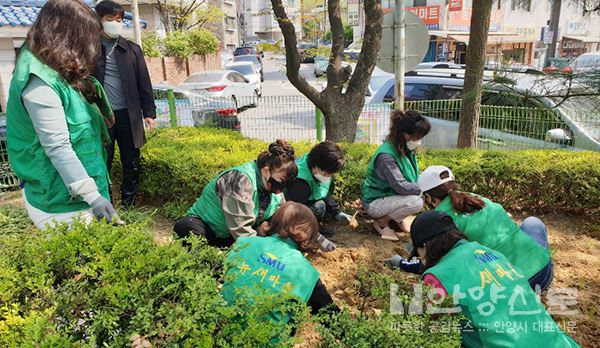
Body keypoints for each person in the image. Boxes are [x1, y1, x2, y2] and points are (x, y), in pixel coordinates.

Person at [6, 0, 119, 230]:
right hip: (61, 201)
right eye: (85, 40)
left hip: (78, 193)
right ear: (67, 37)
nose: (89, 48)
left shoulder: (54, 68)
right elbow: (57, 146)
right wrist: (92, 196)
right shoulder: (39, 80)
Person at [408, 211, 579, 348]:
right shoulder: (490, 253)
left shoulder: (436, 276)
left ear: (425, 245)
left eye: (417, 253)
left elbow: (432, 326)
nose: (420, 259)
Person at [387, 165, 553, 291]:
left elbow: (432, 262)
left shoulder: (441, 221)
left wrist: (401, 264)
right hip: (543, 271)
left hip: (512, 284)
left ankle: (528, 290)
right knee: (532, 223)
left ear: (429, 197)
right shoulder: (477, 199)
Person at [173, 140, 336, 251]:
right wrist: (267, 250)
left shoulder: (273, 187)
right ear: (266, 170)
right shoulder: (240, 181)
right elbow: (241, 231)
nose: (281, 189)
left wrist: (315, 236)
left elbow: (287, 216)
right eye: (281, 181)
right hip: (204, 228)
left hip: (228, 237)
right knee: (191, 233)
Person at [221, 202, 339, 330]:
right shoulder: (306, 272)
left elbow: (220, 274)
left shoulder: (243, 242)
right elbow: (331, 318)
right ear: (306, 236)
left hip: (218, 327)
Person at [93, 0, 156, 207]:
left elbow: (144, 83)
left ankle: (128, 204)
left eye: (118, 20)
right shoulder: (90, 50)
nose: (115, 23)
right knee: (104, 163)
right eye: (109, 19)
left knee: (132, 164)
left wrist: (149, 113)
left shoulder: (131, 49)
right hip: (103, 119)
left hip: (129, 117)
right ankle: (107, 205)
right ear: (99, 20)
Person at [361, 110, 431, 241]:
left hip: (389, 196)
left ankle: (397, 220)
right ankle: (382, 222)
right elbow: (400, 186)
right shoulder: (386, 156)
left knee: (416, 196)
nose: (419, 141)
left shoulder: (405, 149)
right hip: (375, 202)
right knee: (416, 202)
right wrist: (426, 189)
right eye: (418, 137)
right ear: (406, 135)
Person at [285, 141, 354, 236]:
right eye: (326, 174)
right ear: (316, 166)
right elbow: (295, 210)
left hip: (306, 198)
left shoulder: (317, 163)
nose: (328, 177)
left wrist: (337, 212)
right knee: (319, 206)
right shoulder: (300, 181)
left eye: (331, 174)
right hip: (294, 207)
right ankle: (309, 229)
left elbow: (322, 191)